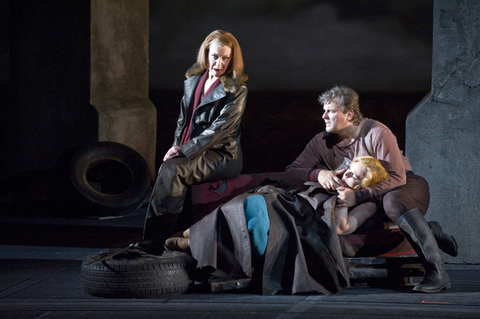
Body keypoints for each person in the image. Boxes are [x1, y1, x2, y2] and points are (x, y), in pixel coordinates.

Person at [284, 85, 458, 293]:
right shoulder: (322, 142)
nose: (323, 116)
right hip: (366, 196)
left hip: (402, 186)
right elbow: (290, 173)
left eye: (330, 111)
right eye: (323, 110)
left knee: (392, 202)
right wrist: (318, 174)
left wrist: (357, 197)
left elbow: (396, 177)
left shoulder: (376, 132)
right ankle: (429, 230)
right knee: (342, 218)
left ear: (349, 114)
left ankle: (438, 273)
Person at [134, 30, 248, 255]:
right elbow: (182, 121)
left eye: (226, 58)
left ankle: (154, 241)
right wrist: (176, 147)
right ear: (205, 54)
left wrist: (183, 150)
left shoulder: (237, 90)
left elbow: (219, 131)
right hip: (194, 150)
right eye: (215, 56)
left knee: (173, 171)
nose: (219, 63)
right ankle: (169, 236)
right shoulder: (193, 81)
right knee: (170, 166)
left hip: (222, 155)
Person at [335, 156, 389, 235]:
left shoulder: (369, 205)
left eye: (354, 176)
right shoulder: (340, 180)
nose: (346, 174)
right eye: (349, 168)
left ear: (364, 186)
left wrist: (344, 201)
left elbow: (341, 229)